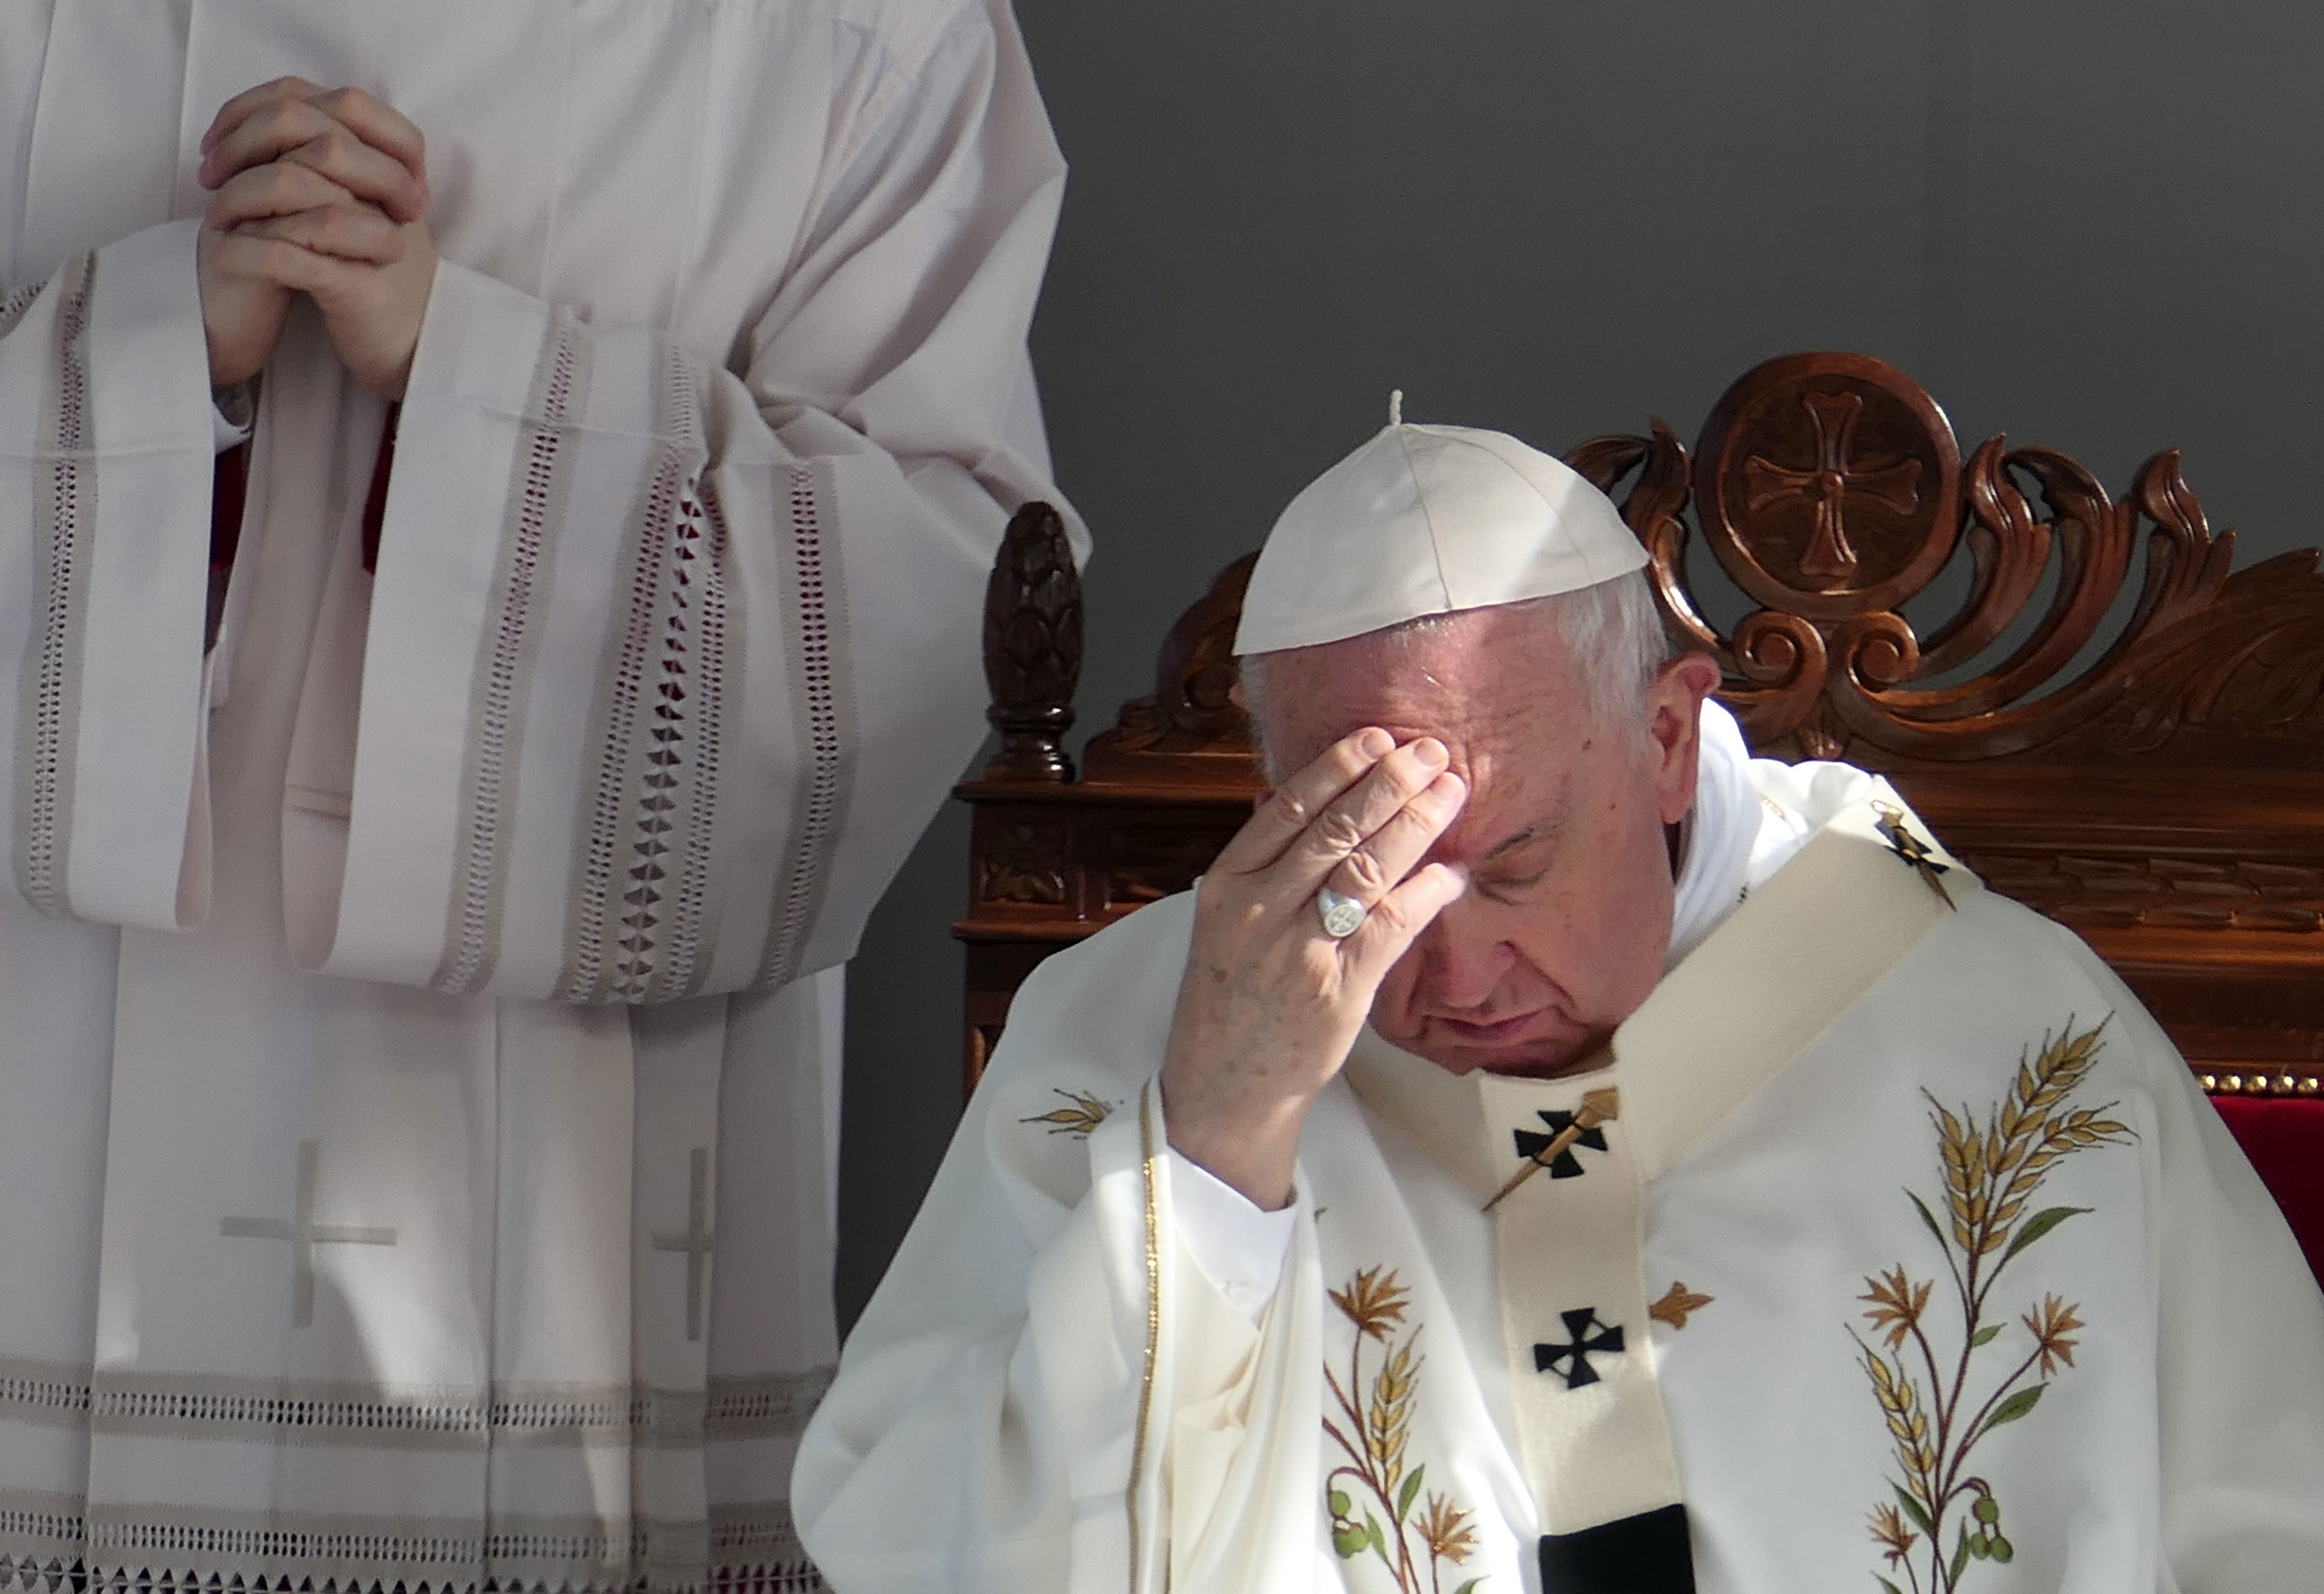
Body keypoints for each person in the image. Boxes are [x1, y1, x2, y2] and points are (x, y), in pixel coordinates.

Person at [793, 409, 2324, 1592]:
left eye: (1516, 861)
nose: (1454, 976)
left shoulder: (2002, 1033)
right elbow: (940, 1541)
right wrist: (1217, 1146)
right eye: (1370, 876)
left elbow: (2271, 1524)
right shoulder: (1136, 1025)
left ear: (1665, 736)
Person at [0, 3, 1075, 1591]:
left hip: (553, 1180)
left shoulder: (861, 35)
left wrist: (474, 389)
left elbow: (952, 599)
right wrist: (142, 357)